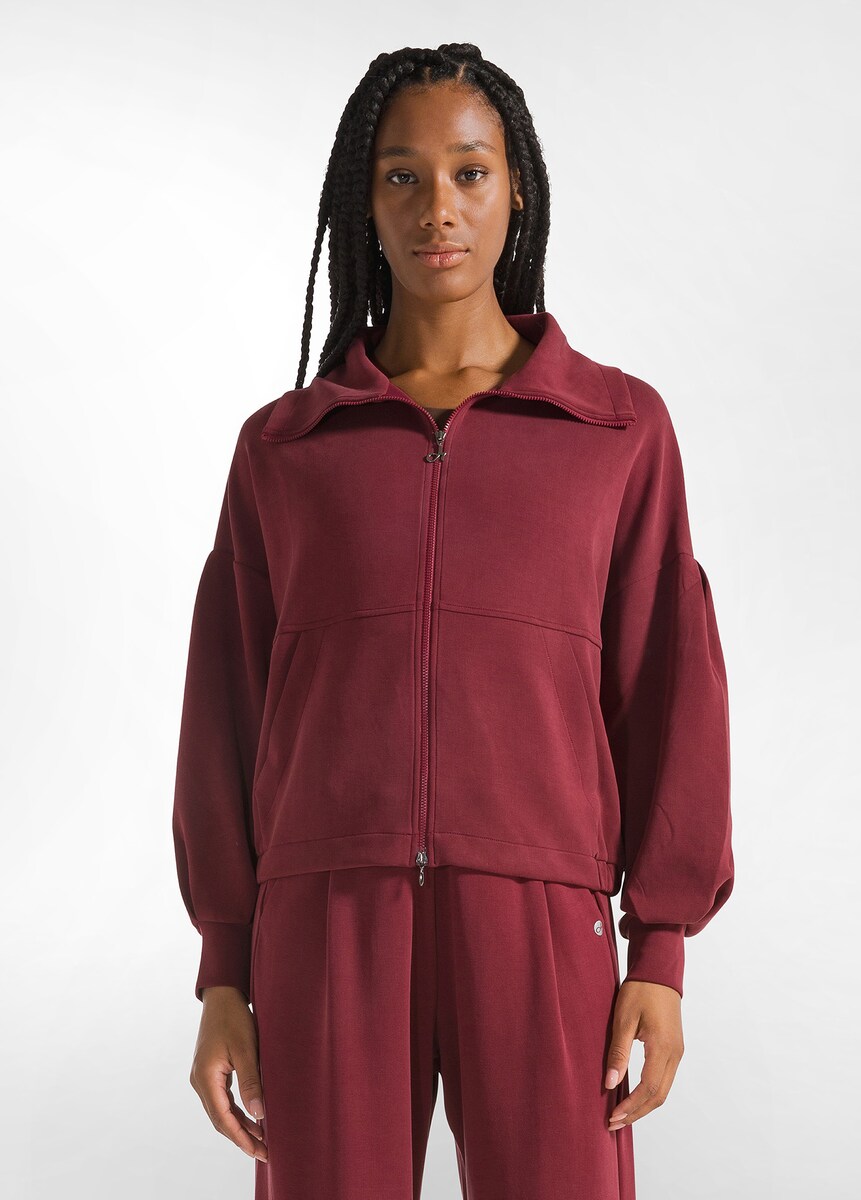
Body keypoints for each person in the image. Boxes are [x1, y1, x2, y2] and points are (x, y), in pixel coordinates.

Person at [172, 42, 734, 1200]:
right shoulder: (285, 447)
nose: (439, 208)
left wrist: (661, 949)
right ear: (362, 200)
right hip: (326, 914)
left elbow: (669, 689)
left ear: (516, 189)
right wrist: (225, 967)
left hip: (542, 911)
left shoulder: (616, 430)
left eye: (470, 173)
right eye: (403, 176)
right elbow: (226, 709)